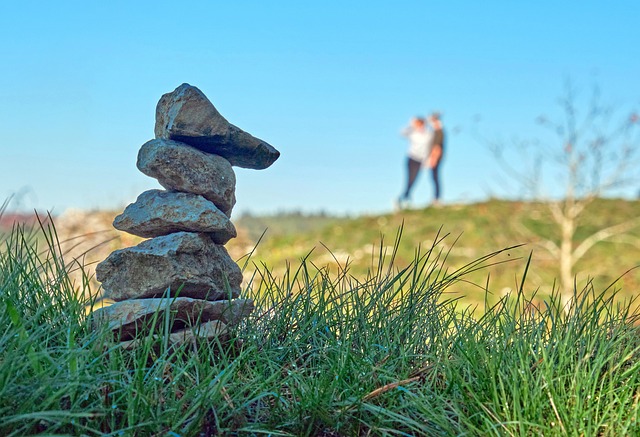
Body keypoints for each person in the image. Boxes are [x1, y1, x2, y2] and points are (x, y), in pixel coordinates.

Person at [396, 116, 433, 209]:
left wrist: (427, 160)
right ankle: (405, 198)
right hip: (411, 159)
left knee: (414, 180)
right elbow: (401, 133)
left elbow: (430, 147)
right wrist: (411, 125)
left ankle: (404, 197)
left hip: (421, 160)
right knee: (410, 179)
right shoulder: (412, 132)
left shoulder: (428, 134)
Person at [427, 112, 445, 206]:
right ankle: (436, 197)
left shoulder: (439, 132)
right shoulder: (436, 131)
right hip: (435, 158)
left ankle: (437, 198)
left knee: (435, 178)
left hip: (436, 159)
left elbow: (437, 147)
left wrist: (433, 159)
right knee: (434, 178)